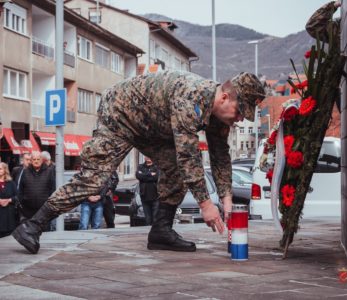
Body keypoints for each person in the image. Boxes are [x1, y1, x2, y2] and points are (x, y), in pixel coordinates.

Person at [12, 70, 265, 254]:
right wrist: (206, 204)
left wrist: (227, 200)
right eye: (240, 111)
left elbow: (220, 156)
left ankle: (161, 231)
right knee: (93, 181)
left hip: (153, 126)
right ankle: (33, 226)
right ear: (223, 99)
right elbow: (188, 156)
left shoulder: (219, 115)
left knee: (175, 170)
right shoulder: (192, 98)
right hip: (121, 114)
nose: (241, 119)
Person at [17, 152, 56, 221]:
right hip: (28, 211)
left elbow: (52, 190)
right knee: (29, 231)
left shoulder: (49, 172)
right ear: (31, 161)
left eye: (38, 159)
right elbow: (20, 190)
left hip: (44, 210)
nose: (36, 161)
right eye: (34, 159)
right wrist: (22, 205)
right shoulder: (25, 172)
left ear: (42, 160)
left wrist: (49, 205)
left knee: (45, 231)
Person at [136, 157, 159, 225]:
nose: (148, 157)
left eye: (150, 156)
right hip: (144, 196)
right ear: (144, 157)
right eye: (146, 156)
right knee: (148, 220)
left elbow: (156, 177)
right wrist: (150, 174)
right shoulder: (140, 166)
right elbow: (139, 176)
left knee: (156, 219)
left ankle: (156, 234)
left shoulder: (157, 166)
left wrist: (144, 176)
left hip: (156, 196)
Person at [0, 162, 18, 238]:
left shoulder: (11, 183)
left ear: (5, 170)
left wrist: (9, 200)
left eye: (0, 169)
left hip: (9, 217)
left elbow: (18, 196)